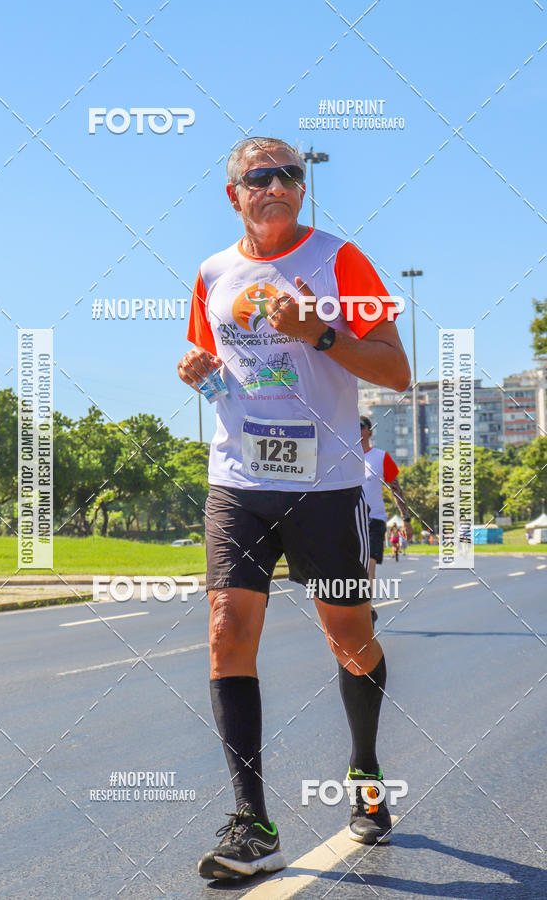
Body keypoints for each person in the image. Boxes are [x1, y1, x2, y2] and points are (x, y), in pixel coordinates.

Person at [177, 136, 411, 881]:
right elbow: (226, 377)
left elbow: (398, 371)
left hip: (329, 483)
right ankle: (254, 824)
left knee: (349, 636)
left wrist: (320, 331)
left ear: (301, 190)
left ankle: (366, 776)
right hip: (240, 481)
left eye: (289, 175)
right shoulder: (213, 274)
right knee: (225, 630)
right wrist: (200, 374)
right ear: (235, 194)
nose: (276, 185)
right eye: (259, 176)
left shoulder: (341, 261)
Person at [359, 416, 413, 622]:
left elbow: (396, 490)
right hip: (349, 522)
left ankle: (367, 609)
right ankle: (360, 608)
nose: (356, 430)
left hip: (374, 520)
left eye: (361, 426)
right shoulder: (343, 456)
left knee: (369, 565)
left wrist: (406, 519)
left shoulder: (381, 457)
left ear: (370, 432)